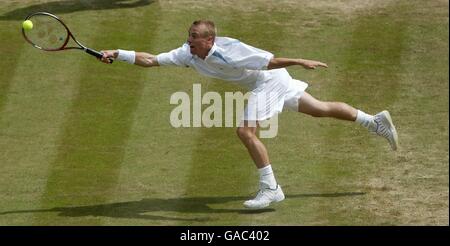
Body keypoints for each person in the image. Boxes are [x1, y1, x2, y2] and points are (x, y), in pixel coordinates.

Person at [99, 20, 398, 209]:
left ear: (209, 40)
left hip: (268, 80)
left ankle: (271, 188)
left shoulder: (232, 51)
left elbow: (270, 62)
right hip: (268, 81)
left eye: (194, 37)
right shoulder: (186, 53)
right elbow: (150, 60)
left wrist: (300, 60)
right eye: (188, 36)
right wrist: (118, 52)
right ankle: (374, 121)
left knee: (245, 131)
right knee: (319, 109)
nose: (188, 41)